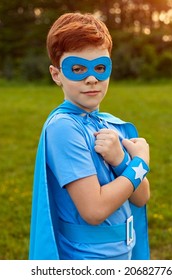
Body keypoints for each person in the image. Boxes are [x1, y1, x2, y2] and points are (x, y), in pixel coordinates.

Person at [29, 12, 151, 260]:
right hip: (89, 259)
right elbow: (94, 210)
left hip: (120, 255)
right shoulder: (63, 127)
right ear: (56, 75)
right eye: (77, 69)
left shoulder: (109, 124)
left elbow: (141, 197)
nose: (92, 78)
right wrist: (140, 163)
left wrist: (121, 161)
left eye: (100, 67)